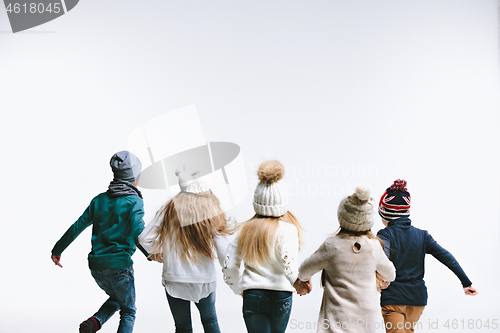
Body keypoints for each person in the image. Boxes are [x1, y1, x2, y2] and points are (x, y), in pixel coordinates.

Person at [51, 150, 148, 333]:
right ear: (135, 177)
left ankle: (95, 322)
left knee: (117, 298)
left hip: (96, 267)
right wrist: (152, 254)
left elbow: (76, 227)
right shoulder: (134, 201)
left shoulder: (99, 200)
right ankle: (96, 321)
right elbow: (138, 233)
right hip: (120, 267)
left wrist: (57, 250)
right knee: (128, 311)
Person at [138, 165, 232, 333]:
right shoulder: (211, 209)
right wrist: (233, 276)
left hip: (174, 278)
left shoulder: (169, 208)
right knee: (210, 320)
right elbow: (224, 250)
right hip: (204, 280)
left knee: (182, 327)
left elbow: (144, 238)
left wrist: (156, 252)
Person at [377, 179, 477, 333]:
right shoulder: (423, 236)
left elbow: (383, 258)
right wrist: (466, 282)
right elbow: (446, 257)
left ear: (386, 213)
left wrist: (381, 279)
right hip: (417, 300)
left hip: (394, 299)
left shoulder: (385, 234)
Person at [297, 185, 396, 333]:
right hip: (365, 323)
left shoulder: (331, 246)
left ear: (342, 217)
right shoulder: (374, 247)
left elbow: (304, 269)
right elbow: (391, 274)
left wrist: (304, 280)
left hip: (335, 322)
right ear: (368, 220)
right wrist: (383, 280)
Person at [223, 160, 306, 333]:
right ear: (283, 202)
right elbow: (288, 263)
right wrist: (297, 282)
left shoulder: (245, 231)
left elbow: (229, 265)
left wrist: (238, 287)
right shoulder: (289, 230)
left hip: (252, 294)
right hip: (281, 295)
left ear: (257, 200)